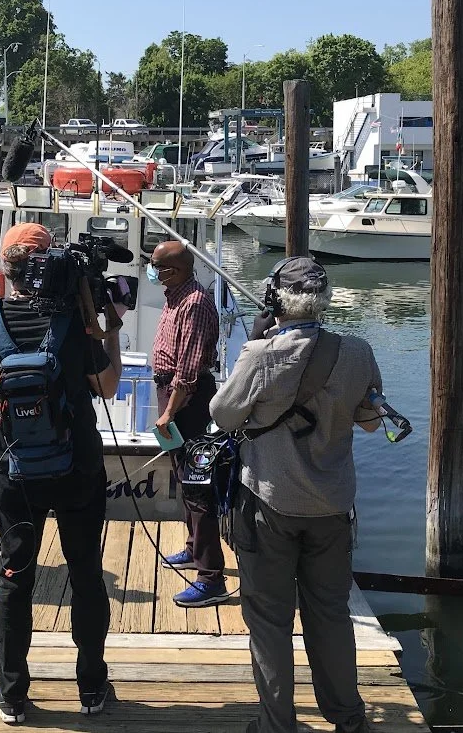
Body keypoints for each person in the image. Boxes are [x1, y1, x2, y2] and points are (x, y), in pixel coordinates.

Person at [210, 256, 386, 733]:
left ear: (275, 299)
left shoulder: (260, 354)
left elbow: (223, 415)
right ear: (323, 299)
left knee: (269, 622)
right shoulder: (358, 351)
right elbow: (371, 423)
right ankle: (348, 719)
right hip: (332, 507)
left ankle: (276, 726)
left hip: (269, 503)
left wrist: (254, 342)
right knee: (330, 616)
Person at [0, 222, 123, 724]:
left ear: (4, 269)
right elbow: (108, 386)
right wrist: (108, 323)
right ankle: (92, 687)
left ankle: (11, 694)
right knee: (85, 576)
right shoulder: (77, 326)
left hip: (14, 471)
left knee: (15, 577)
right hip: (77, 466)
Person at [148, 240, 226, 608]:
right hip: (171, 396)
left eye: (156, 265)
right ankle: (195, 548)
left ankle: (211, 577)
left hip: (187, 404)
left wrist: (168, 413)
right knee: (184, 476)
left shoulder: (194, 304)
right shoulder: (175, 295)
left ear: (173, 270)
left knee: (198, 486)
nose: (151, 271)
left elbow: (189, 371)